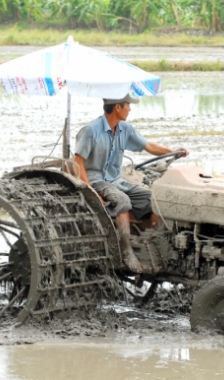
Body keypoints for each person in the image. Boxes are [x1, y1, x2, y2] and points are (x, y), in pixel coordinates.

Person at [73, 93, 189, 273]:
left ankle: (156, 244)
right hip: (96, 181)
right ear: (118, 107)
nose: (130, 109)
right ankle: (126, 252)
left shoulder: (125, 129)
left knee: (155, 199)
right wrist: (90, 191)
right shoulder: (90, 131)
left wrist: (172, 151)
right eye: (128, 105)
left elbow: (148, 146)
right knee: (122, 201)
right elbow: (78, 163)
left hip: (117, 181)